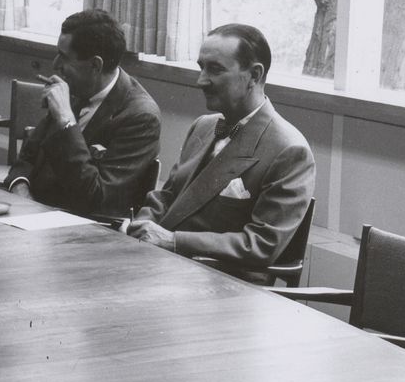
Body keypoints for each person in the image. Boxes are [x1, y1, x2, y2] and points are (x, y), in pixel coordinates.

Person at [128, 23, 315, 269]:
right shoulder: (203, 126)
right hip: (165, 265)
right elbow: (168, 196)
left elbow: (261, 244)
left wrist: (174, 241)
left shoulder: (289, 150)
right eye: (201, 68)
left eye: (215, 70)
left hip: (225, 284)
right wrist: (141, 226)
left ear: (254, 76)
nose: (201, 81)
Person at [4, 9, 162, 218]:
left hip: (85, 230)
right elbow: (26, 159)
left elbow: (96, 198)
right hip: (34, 215)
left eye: (64, 57)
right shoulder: (77, 88)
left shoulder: (140, 116)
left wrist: (66, 121)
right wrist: (21, 193)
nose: (55, 65)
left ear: (95, 65)